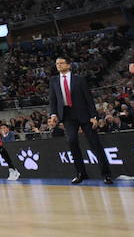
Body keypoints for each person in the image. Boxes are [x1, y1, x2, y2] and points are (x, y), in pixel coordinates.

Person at [48, 56, 113, 184]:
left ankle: (106, 174)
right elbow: (53, 100)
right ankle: (81, 173)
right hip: (67, 116)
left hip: (84, 114)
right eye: (57, 64)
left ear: (68, 65)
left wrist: (94, 116)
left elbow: (89, 99)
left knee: (95, 144)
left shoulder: (80, 80)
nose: (59, 65)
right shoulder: (54, 81)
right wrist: (53, 114)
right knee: (72, 142)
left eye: (61, 63)